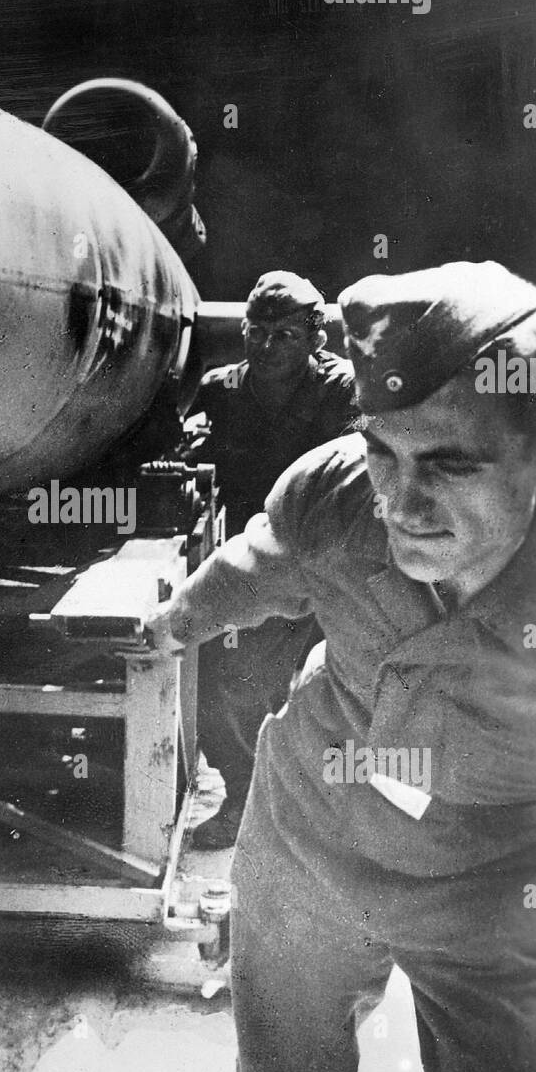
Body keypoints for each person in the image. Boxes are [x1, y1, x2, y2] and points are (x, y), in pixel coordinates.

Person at [146, 260, 536, 1072]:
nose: (400, 504)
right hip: (314, 824)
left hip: (496, 870)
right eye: (383, 451)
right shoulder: (337, 494)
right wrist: (174, 623)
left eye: (448, 464)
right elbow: (256, 569)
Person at [190, 270, 357, 847]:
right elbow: (188, 465)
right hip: (249, 561)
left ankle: (300, 811)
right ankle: (244, 797)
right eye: (255, 331)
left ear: (317, 339)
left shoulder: (342, 392)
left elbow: (357, 484)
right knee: (219, 683)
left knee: (306, 694)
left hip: (326, 562)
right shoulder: (220, 391)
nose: (265, 346)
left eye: (284, 334)